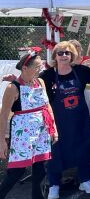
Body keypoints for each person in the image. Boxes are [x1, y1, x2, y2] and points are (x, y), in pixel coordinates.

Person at [40, 42, 90, 198]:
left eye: (67, 53)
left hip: (79, 120)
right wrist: (16, 80)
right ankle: (54, 185)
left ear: (72, 56)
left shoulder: (80, 71)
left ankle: (85, 180)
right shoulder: (48, 75)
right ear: (55, 56)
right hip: (57, 122)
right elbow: (33, 83)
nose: (64, 55)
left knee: (83, 148)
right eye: (60, 53)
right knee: (55, 152)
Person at [0, 50, 57, 199]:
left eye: (41, 66)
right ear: (25, 68)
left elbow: (47, 106)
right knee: (17, 171)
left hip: (42, 131)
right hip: (23, 134)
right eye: (37, 67)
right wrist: (1, 141)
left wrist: (54, 129)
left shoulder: (40, 82)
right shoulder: (13, 88)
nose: (40, 69)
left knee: (41, 169)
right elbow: (3, 115)